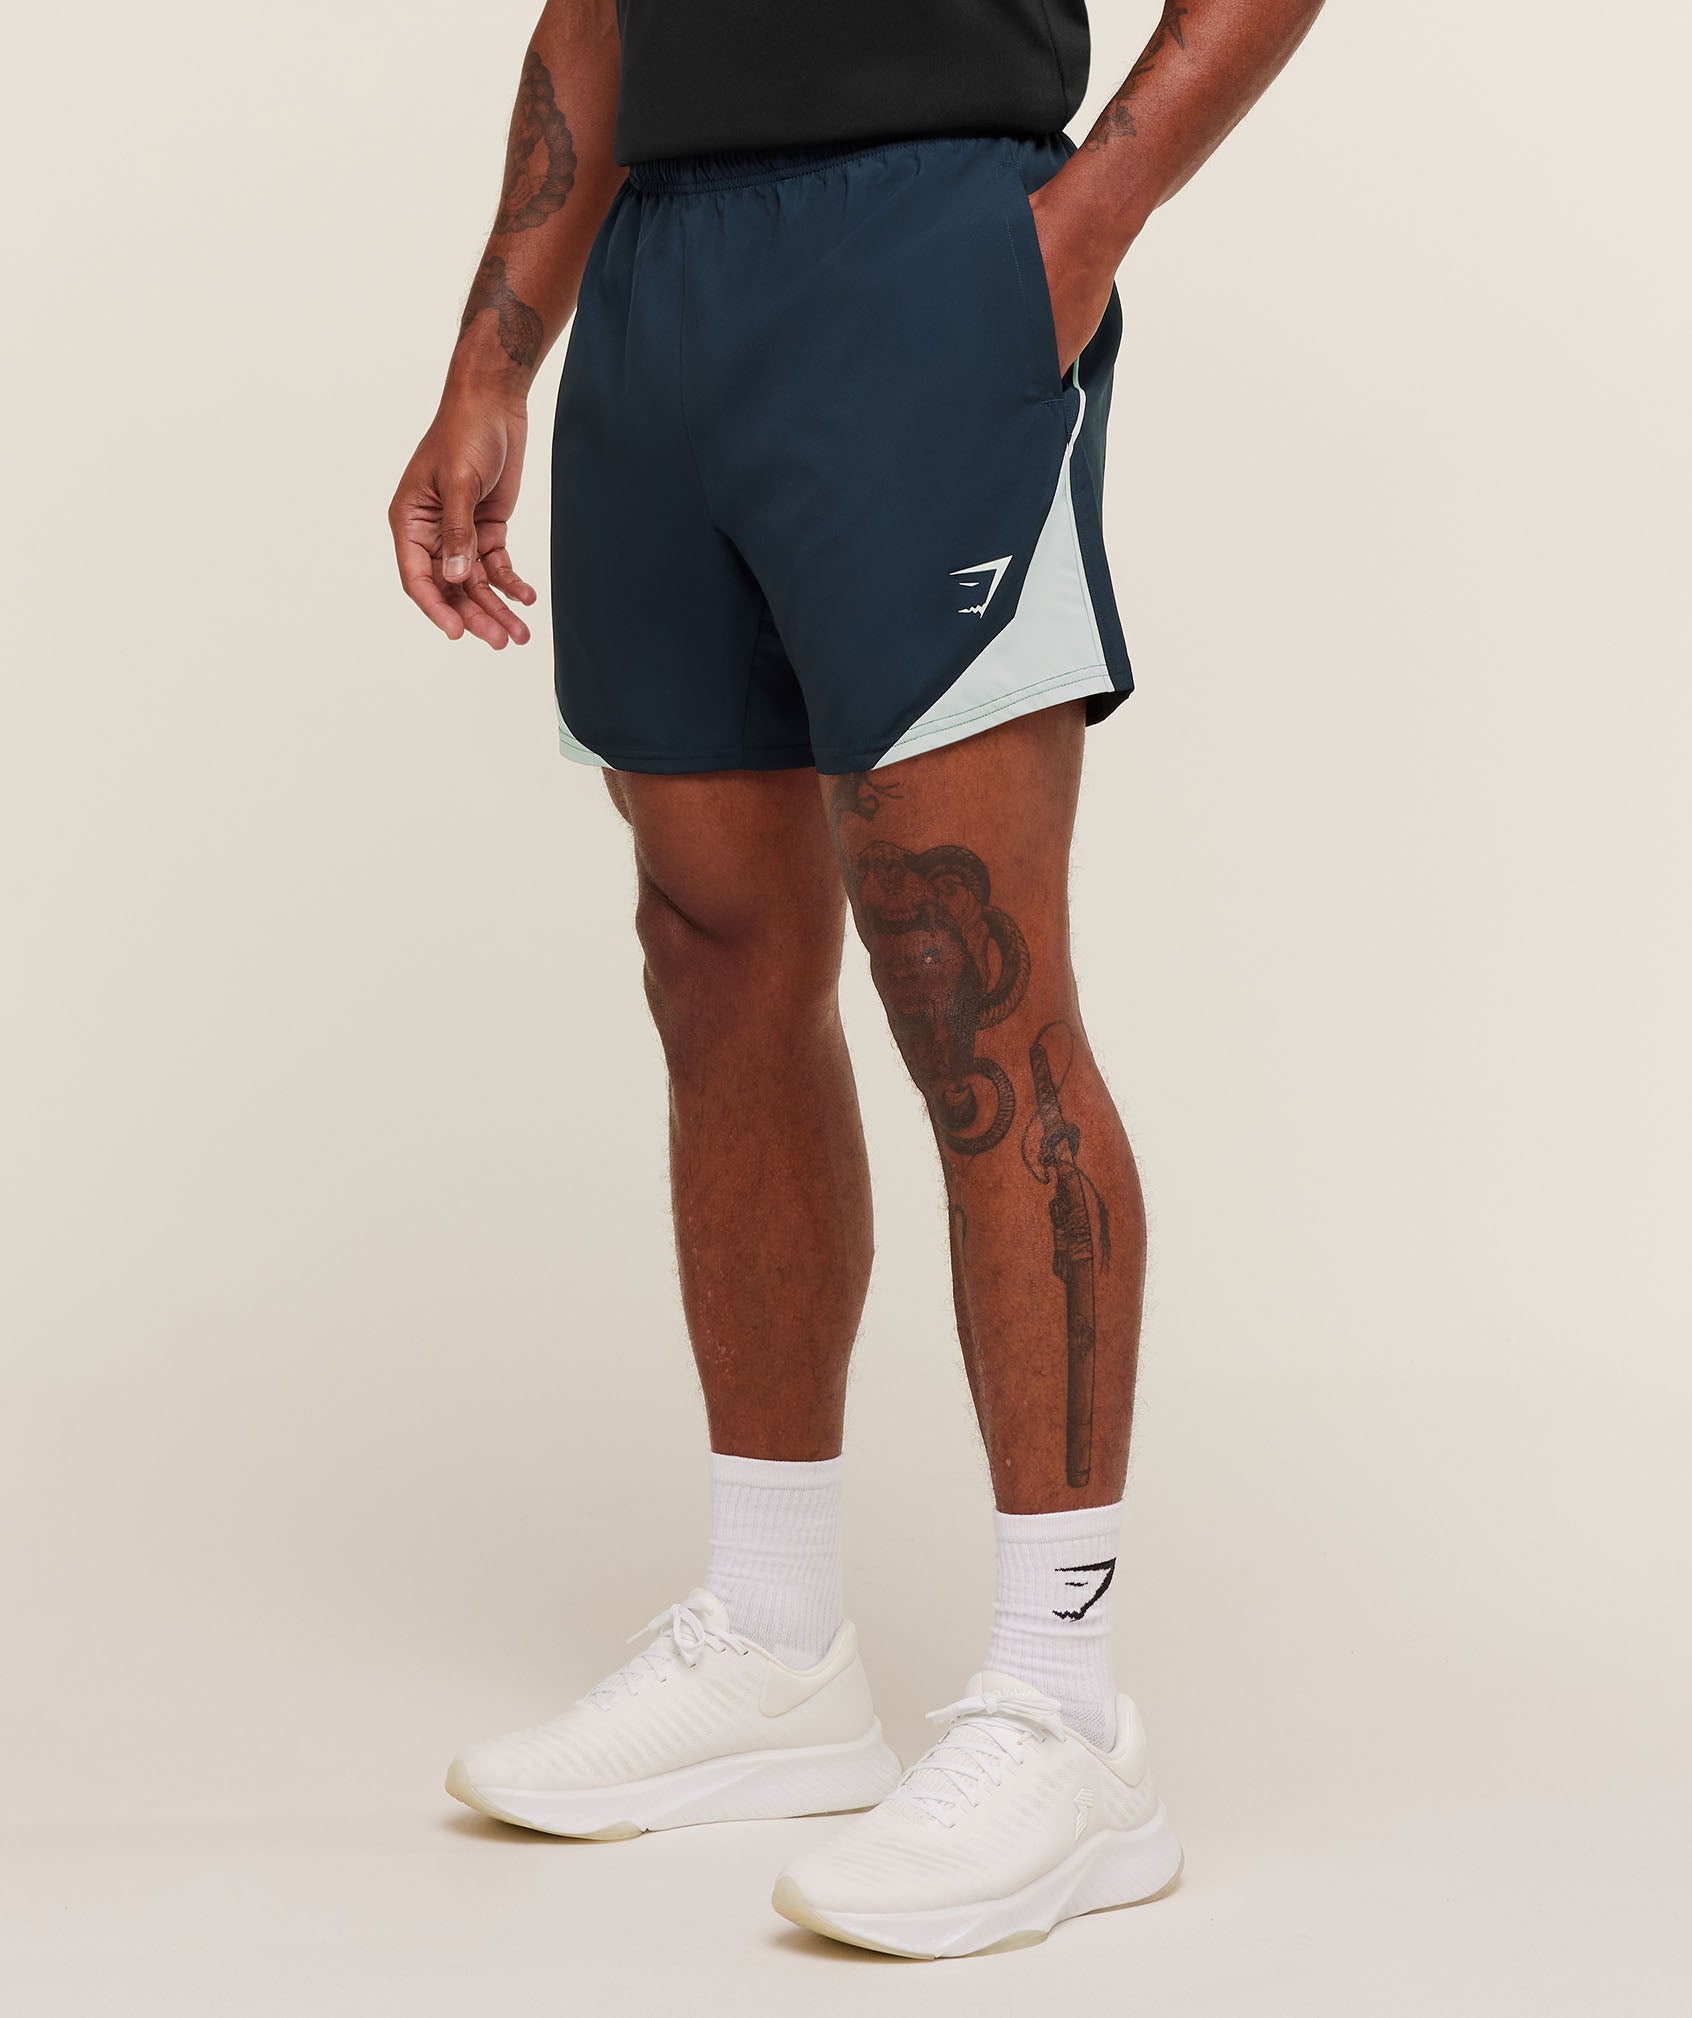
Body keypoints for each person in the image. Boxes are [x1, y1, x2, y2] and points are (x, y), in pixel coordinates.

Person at [390, 0, 1324, 1959]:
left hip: (928, 258)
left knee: (968, 984)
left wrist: (1082, 223)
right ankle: (773, 1642)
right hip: (665, 285)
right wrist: (491, 361)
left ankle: (1067, 1714)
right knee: (711, 946)